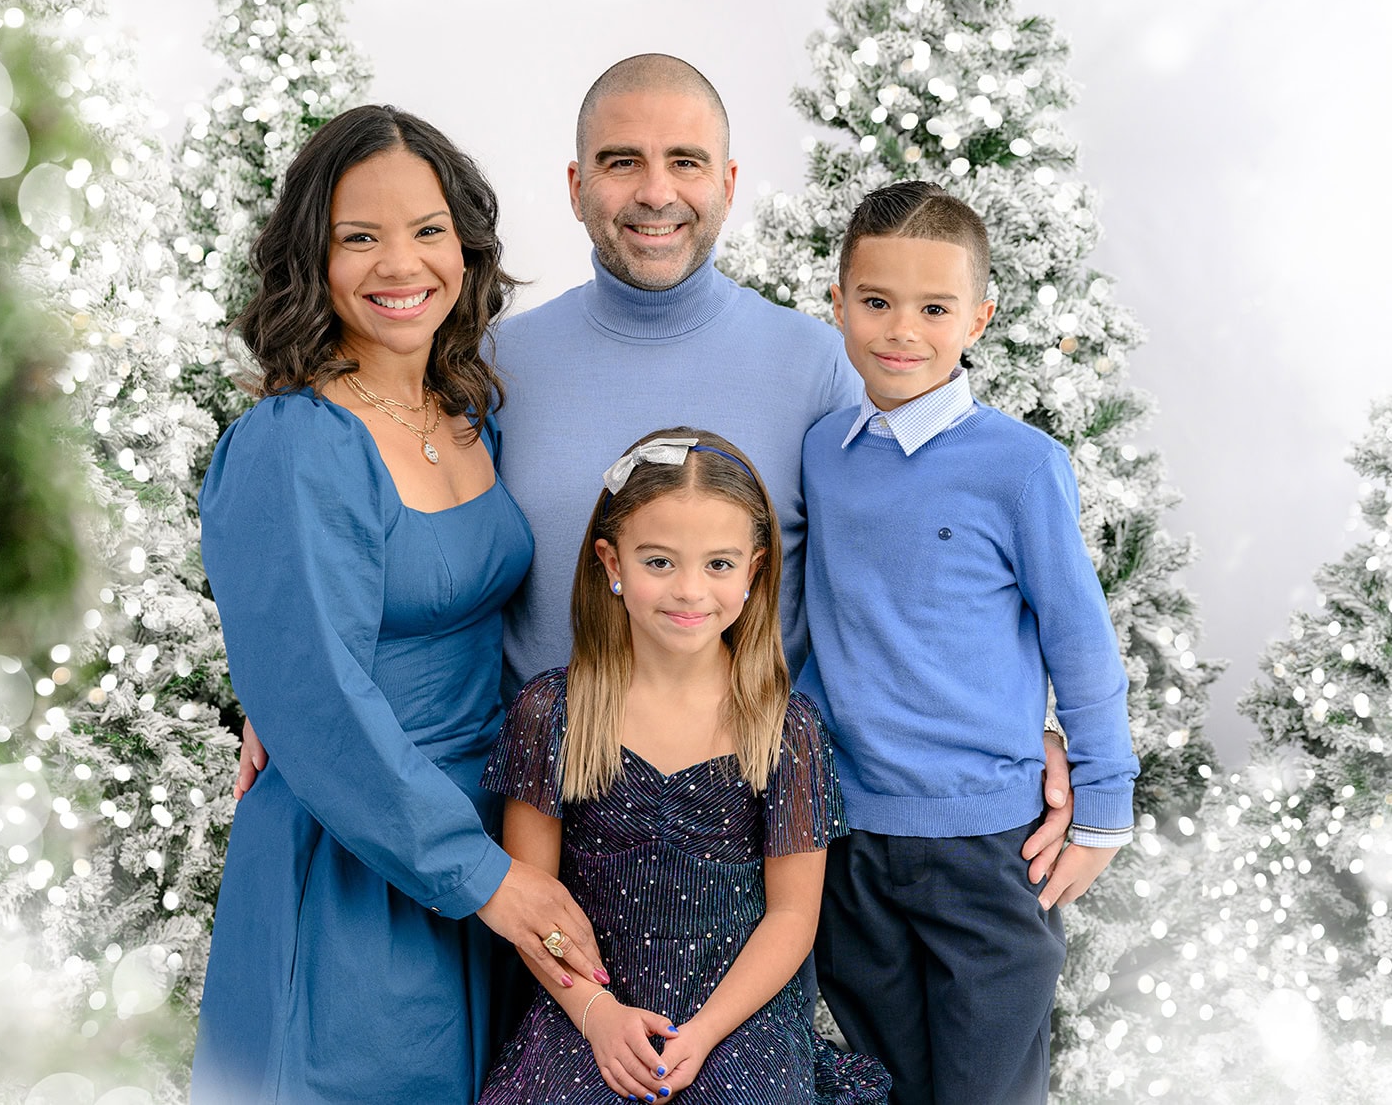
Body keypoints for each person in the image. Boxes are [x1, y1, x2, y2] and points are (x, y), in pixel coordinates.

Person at [240, 55, 1079, 891]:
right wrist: (288, 691)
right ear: (575, 185)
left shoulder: (824, 366)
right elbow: (431, 555)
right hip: (539, 832)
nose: (654, 192)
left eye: (685, 161)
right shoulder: (491, 368)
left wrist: (1013, 723)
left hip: (756, 840)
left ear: (728, 182)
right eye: (620, 162)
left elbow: (919, 572)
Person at [190, 105, 612, 1105]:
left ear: (463, 247)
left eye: (426, 231)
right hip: (355, 864)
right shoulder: (293, 441)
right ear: (312, 258)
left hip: (480, 843)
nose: (400, 263)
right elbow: (322, 701)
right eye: (359, 236)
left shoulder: (467, 413)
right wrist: (487, 878)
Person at [797, 181, 1141, 1105]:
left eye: (934, 307)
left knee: (988, 1093)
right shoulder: (823, 451)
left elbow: (1079, 637)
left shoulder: (1022, 466)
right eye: (875, 301)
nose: (901, 329)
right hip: (853, 835)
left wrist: (1104, 800)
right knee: (892, 1083)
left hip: (989, 846)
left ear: (979, 318)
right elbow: (811, 617)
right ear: (838, 305)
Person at [477, 429, 889, 1103]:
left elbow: (791, 915)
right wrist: (597, 1014)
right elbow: (533, 902)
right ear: (612, 562)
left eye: (719, 564)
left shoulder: (786, 729)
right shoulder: (550, 712)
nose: (690, 590)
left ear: (754, 571)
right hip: (586, 1007)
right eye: (660, 561)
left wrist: (705, 1032)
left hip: (737, 1016)